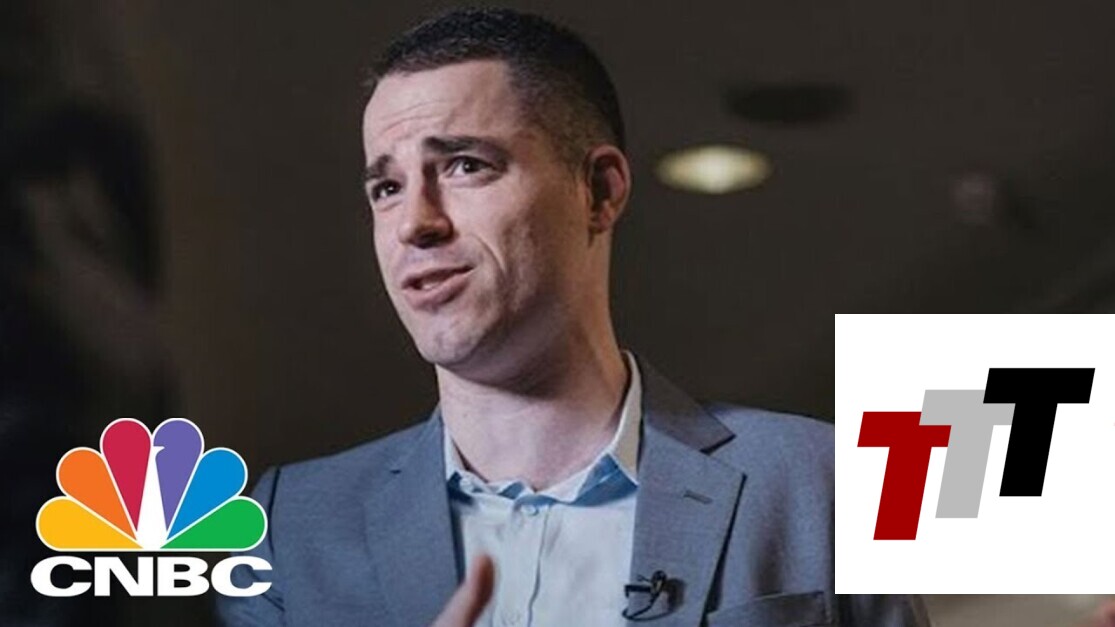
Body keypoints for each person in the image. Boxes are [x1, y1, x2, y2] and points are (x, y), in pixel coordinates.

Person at [218, 8, 928, 626]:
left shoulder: (821, 484)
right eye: (386, 187)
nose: (414, 222)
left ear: (599, 190)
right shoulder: (284, 527)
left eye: (464, 165)